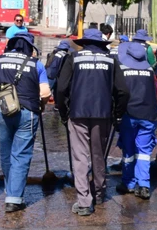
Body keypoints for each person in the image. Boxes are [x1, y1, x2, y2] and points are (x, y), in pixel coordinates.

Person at [55, 27, 129, 216]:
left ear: (84, 43)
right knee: (98, 155)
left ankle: (84, 201)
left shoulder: (73, 58)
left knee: (80, 157)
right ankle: (99, 192)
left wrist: (63, 112)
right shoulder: (111, 60)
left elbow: (61, 89)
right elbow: (123, 91)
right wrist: (117, 114)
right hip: (103, 114)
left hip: (77, 113)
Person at [0, 32, 50, 213]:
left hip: (3, 110)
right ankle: (14, 198)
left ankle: (10, 190)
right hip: (28, 112)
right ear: (30, 47)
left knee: (6, 152)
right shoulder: (36, 64)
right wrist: (42, 105)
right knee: (21, 154)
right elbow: (45, 93)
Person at [116, 39, 157, 199]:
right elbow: (156, 94)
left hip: (129, 115)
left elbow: (119, 94)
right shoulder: (149, 71)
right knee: (144, 152)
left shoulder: (123, 70)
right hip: (148, 115)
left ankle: (128, 183)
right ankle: (144, 186)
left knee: (128, 151)